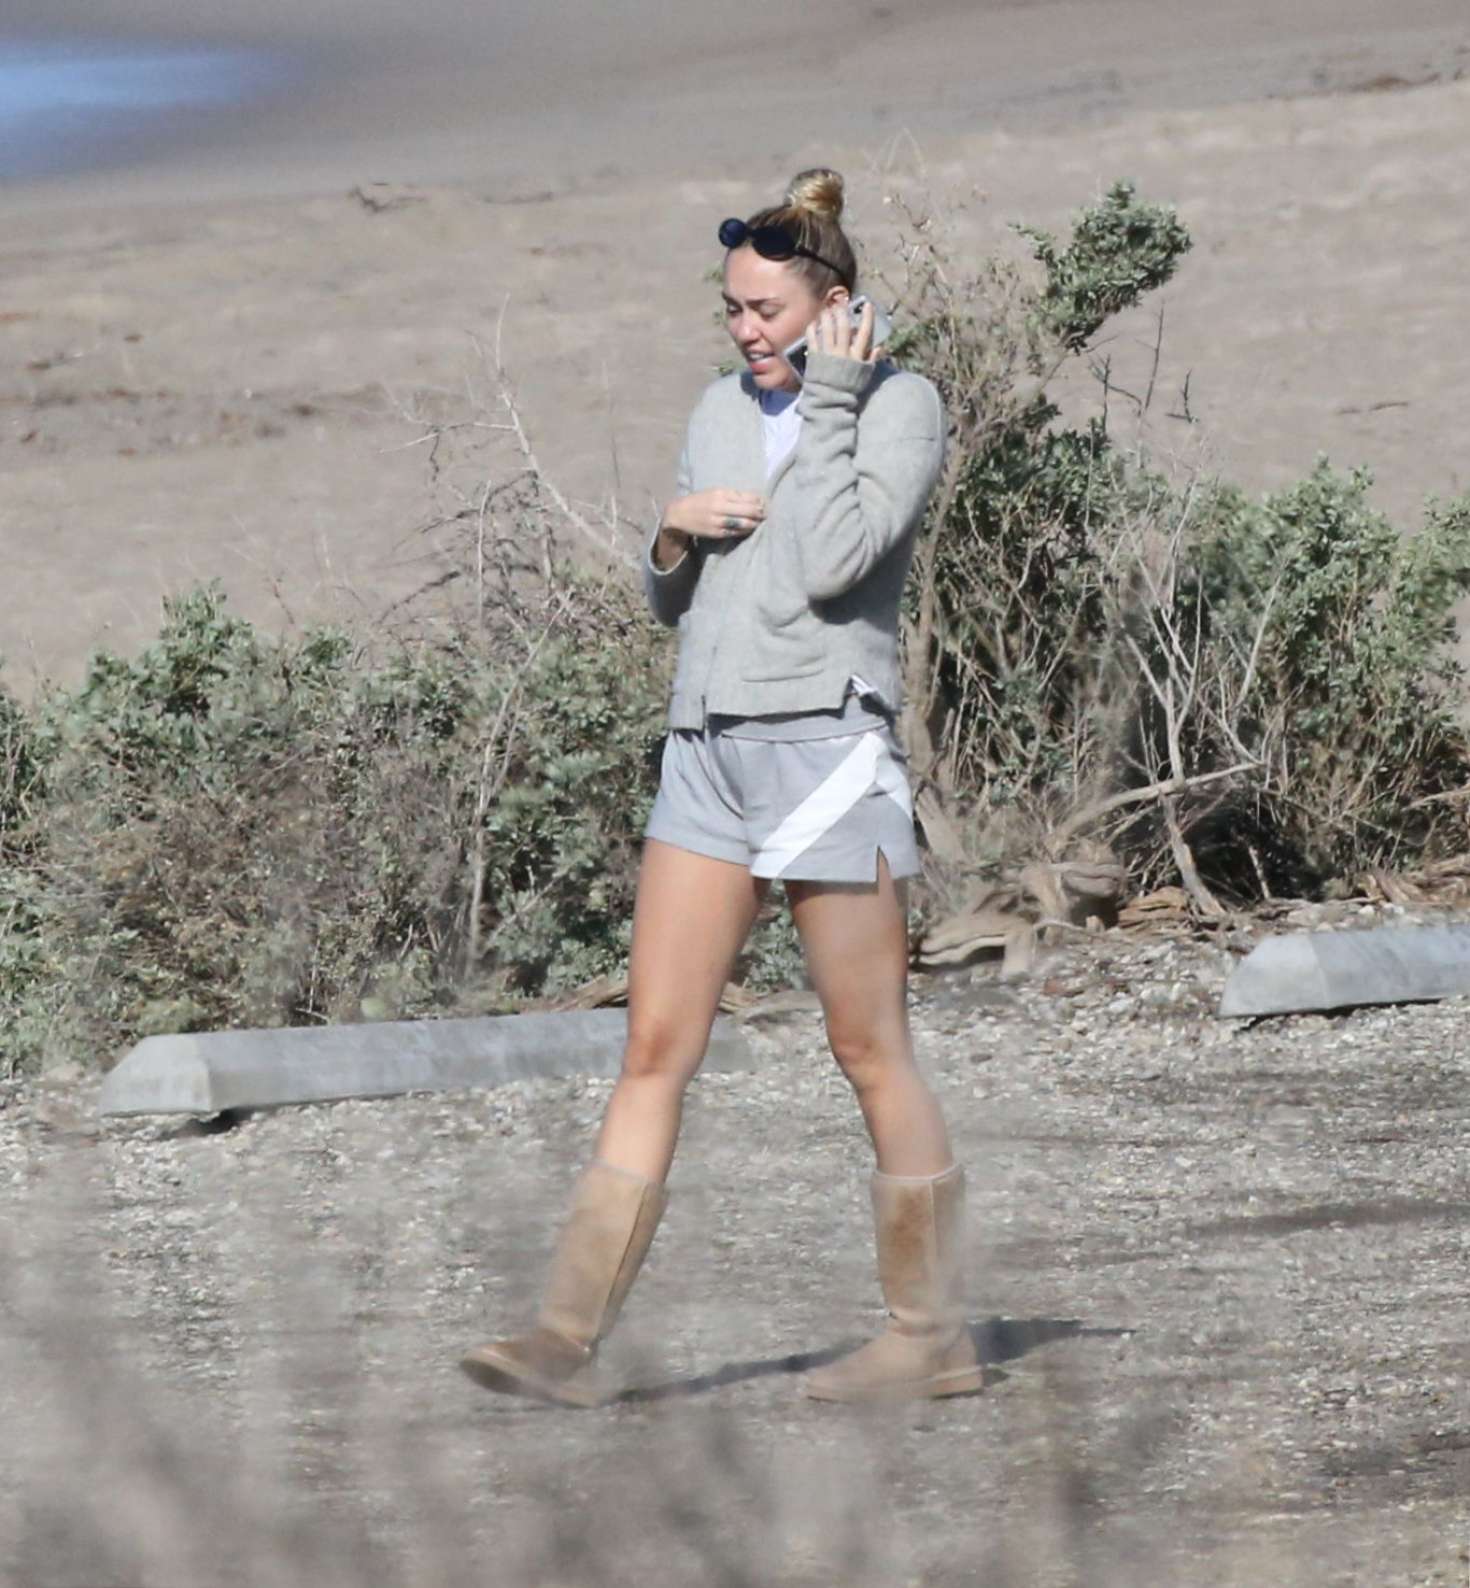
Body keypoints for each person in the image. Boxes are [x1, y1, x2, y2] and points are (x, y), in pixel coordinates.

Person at [460, 168, 981, 1406]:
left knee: (868, 1046)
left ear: (837, 306)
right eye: (732, 310)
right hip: (706, 751)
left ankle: (930, 1335)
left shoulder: (901, 407)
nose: (746, 331)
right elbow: (675, 598)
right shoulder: (717, 407)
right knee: (654, 1042)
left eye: (767, 310)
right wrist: (670, 534)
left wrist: (834, 396)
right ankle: (564, 1339)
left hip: (825, 750)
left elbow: (835, 561)